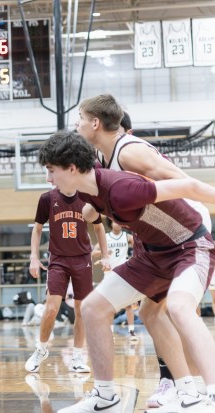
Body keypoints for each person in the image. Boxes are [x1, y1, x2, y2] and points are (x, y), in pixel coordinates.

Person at [38, 131, 215, 413]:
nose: (49, 179)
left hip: (190, 247)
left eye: (51, 170)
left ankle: (212, 391)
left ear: (71, 169)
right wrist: (90, 213)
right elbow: (93, 207)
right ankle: (109, 397)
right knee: (95, 308)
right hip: (153, 256)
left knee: (180, 308)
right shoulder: (86, 186)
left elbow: (190, 187)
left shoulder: (123, 188)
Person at [77, 97, 213, 408]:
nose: (77, 125)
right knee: (150, 312)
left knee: (181, 309)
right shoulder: (101, 156)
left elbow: (183, 181)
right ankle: (183, 387)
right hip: (153, 240)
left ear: (95, 123)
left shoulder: (131, 151)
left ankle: (202, 386)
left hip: (186, 230)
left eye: (79, 119)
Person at [26, 186, 109, 374]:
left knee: (82, 310)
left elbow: (98, 226)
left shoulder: (87, 198)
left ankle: (77, 357)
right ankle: (41, 349)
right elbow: (37, 229)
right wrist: (34, 256)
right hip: (58, 260)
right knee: (51, 308)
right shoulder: (47, 198)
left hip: (82, 260)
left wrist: (105, 255)